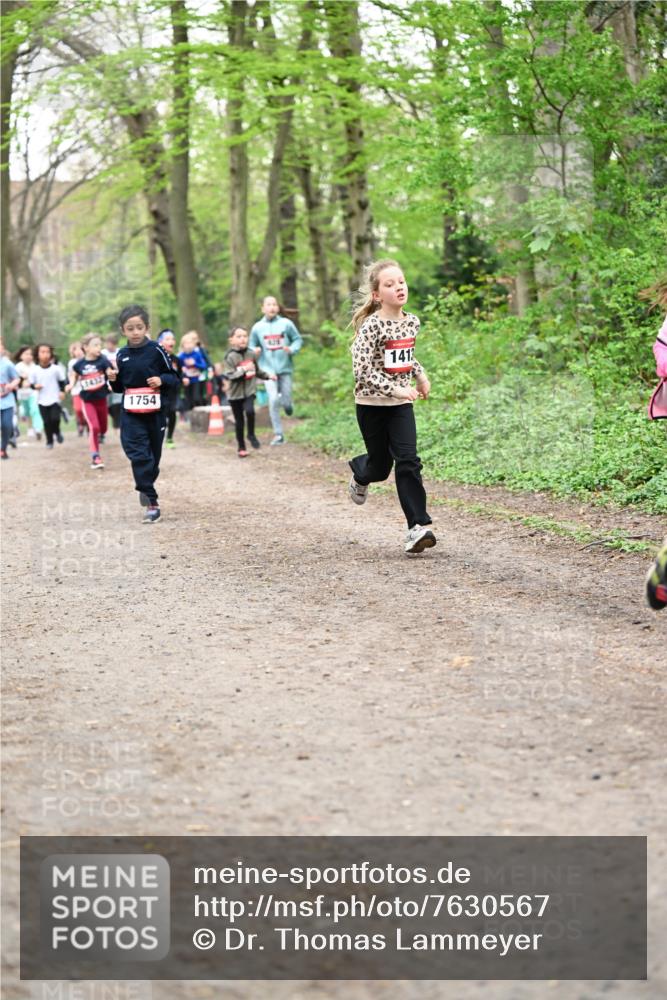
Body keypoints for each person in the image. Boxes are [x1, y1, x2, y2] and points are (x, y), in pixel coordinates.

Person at [348, 259, 436, 555]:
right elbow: (362, 370)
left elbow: (406, 356)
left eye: (401, 281)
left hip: (400, 405)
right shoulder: (371, 326)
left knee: (408, 460)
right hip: (371, 405)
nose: (399, 287)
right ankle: (361, 474)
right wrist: (395, 387)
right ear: (376, 294)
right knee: (380, 467)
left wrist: (420, 376)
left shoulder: (412, 322)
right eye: (389, 284)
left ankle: (417, 527)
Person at [108, 305, 180, 523]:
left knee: (153, 459)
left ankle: (145, 482)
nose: (136, 332)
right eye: (130, 328)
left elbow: (174, 378)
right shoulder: (122, 354)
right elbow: (120, 388)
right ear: (123, 330)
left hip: (155, 412)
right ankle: (152, 500)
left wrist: (161, 380)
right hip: (131, 413)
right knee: (138, 454)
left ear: (147, 327)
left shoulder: (157, 350)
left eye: (140, 327)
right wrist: (113, 380)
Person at [249, 295, 302, 445]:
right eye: (268, 304)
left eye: (274, 304)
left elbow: (297, 339)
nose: (271, 307)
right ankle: (279, 435)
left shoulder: (286, 324)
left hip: (285, 367)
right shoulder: (257, 327)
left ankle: (288, 405)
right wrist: (255, 351)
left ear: (278, 308)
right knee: (272, 399)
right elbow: (251, 345)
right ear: (263, 308)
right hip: (267, 369)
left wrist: (291, 349)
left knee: (285, 400)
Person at [223, 326, 277, 457]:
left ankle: (251, 434)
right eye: (239, 336)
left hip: (249, 390)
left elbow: (257, 371)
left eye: (245, 336)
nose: (243, 339)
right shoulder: (230, 357)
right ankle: (241, 447)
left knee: (250, 411)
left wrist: (268, 376)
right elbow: (230, 375)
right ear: (231, 340)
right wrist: (243, 370)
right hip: (235, 395)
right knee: (239, 421)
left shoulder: (251, 354)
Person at [68, 333, 112, 469]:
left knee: (103, 429)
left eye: (100, 344)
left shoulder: (103, 360)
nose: (99, 347)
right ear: (86, 348)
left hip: (102, 399)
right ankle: (95, 457)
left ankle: (100, 439)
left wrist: (111, 376)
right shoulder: (79, 364)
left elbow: (109, 370)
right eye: (95, 345)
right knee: (94, 427)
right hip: (87, 401)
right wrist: (70, 384)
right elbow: (74, 374)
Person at [30, 343, 66, 449]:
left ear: (51, 354)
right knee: (46, 422)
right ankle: (49, 441)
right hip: (41, 400)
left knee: (55, 419)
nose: (45, 354)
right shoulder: (34, 370)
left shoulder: (56, 369)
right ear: (37, 354)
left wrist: (62, 391)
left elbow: (62, 382)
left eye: (48, 352)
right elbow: (31, 384)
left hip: (55, 399)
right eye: (43, 352)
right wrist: (35, 386)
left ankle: (57, 432)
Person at [157, 329, 182, 449]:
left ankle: (170, 437)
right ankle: (158, 437)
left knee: (172, 413)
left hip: (173, 392)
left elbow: (180, 375)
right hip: (160, 393)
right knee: (161, 415)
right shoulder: (156, 359)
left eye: (172, 339)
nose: (171, 341)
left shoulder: (177, 360)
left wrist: (183, 380)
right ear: (160, 342)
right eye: (167, 339)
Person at [13, 345, 43, 440]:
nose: (28, 356)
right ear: (21, 356)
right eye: (26, 354)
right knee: (26, 412)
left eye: (30, 354)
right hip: (22, 394)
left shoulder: (36, 367)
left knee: (34, 410)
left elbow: (39, 379)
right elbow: (15, 380)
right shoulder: (17, 367)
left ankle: (38, 428)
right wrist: (22, 380)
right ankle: (30, 427)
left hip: (33, 393)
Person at [178, 331, 209, 411]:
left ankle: (199, 411)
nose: (188, 345)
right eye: (186, 343)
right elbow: (178, 369)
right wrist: (182, 368)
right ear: (182, 345)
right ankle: (190, 416)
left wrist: (195, 363)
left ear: (194, 344)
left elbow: (204, 366)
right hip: (187, 381)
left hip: (196, 379)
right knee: (188, 400)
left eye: (190, 343)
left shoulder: (197, 354)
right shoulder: (181, 356)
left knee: (196, 398)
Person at [0, 340, 20, 460]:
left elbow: (16, 378)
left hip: (7, 400)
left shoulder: (8, 364)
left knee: (7, 425)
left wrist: (11, 385)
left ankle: (3, 449)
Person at [66, 341, 87, 437]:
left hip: (87, 389)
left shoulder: (88, 360)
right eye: (75, 349)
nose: (78, 351)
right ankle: (81, 423)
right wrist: (70, 384)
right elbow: (70, 375)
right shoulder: (72, 363)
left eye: (80, 349)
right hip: (76, 389)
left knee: (86, 409)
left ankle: (88, 425)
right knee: (78, 409)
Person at [102, 333, 123, 431]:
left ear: (114, 344)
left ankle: (117, 425)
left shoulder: (120, 352)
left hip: (117, 382)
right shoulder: (103, 354)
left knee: (117, 405)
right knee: (109, 406)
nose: (107, 345)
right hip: (105, 383)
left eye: (109, 343)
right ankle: (115, 419)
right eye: (106, 343)